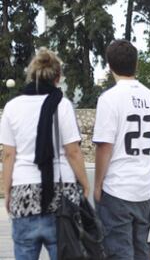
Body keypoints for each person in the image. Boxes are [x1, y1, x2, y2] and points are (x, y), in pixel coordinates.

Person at [0, 48, 89, 260]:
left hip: (23, 192)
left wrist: (7, 190)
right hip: (61, 195)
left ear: (31, 75)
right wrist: (85, 184)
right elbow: (73, 151)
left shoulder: (12, 108)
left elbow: (8, 155)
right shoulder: (63, 105)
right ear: (58, 78)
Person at [93, 40, 150, 260]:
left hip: (117, 188)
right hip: (144, 188)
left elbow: (105, 146)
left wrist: (97, 186)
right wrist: (148, 173)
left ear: (109, 65)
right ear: (136, 64)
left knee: (119, 252)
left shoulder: (109, 99)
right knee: (142, 250)